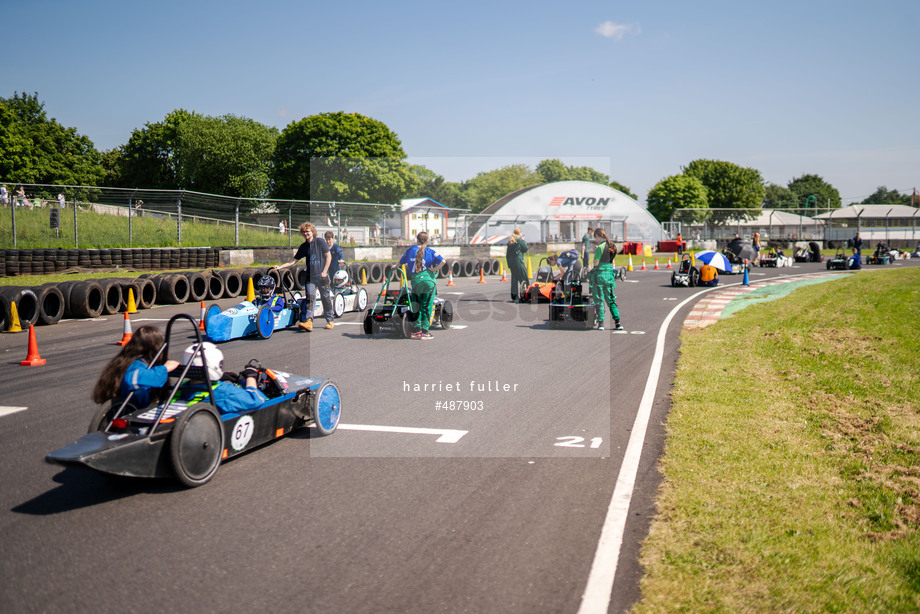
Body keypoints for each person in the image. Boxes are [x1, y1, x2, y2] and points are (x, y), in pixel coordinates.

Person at [92, 326, 180, 408]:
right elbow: (133, 379)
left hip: (121, 404)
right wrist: (164, 369)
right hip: (132, 407)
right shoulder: (136, 364)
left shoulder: (123, 361)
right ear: (157, 347)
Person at [173, 342, 266, 414]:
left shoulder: (179, 387)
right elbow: (255, 400)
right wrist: (250, 376)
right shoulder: (224, 392)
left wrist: (219, 378)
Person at [273, 222, 334, 331]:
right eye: (304, 232)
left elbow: (328, 256)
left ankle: (330, 320)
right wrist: (281, 267)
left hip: (322, 276)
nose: (306, 233)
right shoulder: (304, 246)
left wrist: (324, 272)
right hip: (310, 278)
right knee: (310, 298)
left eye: (308, 231)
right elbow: (294, 260)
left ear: (312, 232)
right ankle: (308, 321)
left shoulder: (320, 242)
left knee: (326, 298)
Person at [398, 231, 445, 340]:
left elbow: (400, 262)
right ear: (427, 240)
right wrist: (433, 269)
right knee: (426, 306)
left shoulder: (410, 250)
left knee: (416, 305)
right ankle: (425, 332)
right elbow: (443, 261)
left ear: (417, 240)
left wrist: (394, 266)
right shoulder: (430, 251)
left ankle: (417, 331)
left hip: (416, 281)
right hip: (429, 282)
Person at [588, 228, 623, 331]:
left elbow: (595, 263)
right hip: (609, 275)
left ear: (598, 236)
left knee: (599, 299)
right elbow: (611, 261)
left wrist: (596, 251)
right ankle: (618, 323)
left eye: (595, 238)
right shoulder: (613, 246)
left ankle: (601, 323)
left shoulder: (600, 248)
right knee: (611, 299)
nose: (596, 240)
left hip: (599, 275)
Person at [506, 227, 529, 302]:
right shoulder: (519, 240)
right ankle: (526, 294)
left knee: (514, 278)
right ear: (519, 233)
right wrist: (523, 240)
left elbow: (508, 254)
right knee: (524, 277)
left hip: (511, 261)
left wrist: (509, 264)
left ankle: (514, 296)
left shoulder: (511, 241)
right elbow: (526, 248)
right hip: (518, 261)